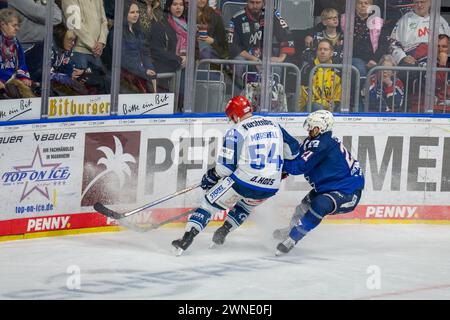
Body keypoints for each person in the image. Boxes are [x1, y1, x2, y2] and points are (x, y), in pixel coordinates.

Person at [171, 95, 300, 255]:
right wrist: (281, 170)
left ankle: (186, 239)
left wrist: (210, 177)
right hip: (271, 186)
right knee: (245, 206)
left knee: (208, 205)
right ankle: (223, 232)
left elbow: (225, 168)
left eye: (230, 116)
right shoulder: (274, 124)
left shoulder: (237, 130)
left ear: (234, 114)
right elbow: (294, 150)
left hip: (243, 181)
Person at [274, 110, 365, 255]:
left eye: (312, 126)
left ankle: (293, 238)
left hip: (347, 192)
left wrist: (276, 164)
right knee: (303, 207)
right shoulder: (315, 141)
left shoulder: (322, 144)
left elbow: (299, 166)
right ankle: (292, 229)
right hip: (330, 187)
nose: (309, 129)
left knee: (320, 205)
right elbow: (299, 158)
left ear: (321, 128)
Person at [227, 0, 295, 84]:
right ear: (247, 2)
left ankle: (272, 94)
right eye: (252, 2)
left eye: (258, 2)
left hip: (267, 58)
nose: (255, 6)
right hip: (246, 58)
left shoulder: (271, 14)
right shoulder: (237, 18)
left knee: (276, 66)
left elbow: (287, 35)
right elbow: (232, 45)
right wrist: (253, 59)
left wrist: (280, 58)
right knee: (238, 63)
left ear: (264, 3)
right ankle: (241, 94)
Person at [120, 0, 157, 93]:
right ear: (124, 13)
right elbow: (123, 58)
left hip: (140, 73)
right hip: (126, 77)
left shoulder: (139, 31)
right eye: (132, 12)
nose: (136, 15)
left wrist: (149, 68)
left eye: (137, 12)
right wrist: (143, 71)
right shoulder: (117, 32)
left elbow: (145, 52)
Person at [0, 8, 35, 98]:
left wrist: (24, 77)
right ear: (3, 24)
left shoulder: (16, 43)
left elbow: (21, 63)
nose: (17, 28)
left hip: (12, 80)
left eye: (18, 25)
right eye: (14, 25)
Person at [299, 39, 342, 112]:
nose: (322, 52)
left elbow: (339, 93)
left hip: (330, 106)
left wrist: (335, 103)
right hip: (309, 106)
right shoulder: (308, 69)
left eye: (325, 49)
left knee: (342, 108)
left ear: (331, 53)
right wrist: (326, 105)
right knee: (317, 107)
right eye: (320, 49)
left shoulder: (337, 71)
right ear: (317, 52)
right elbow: (305, 94)